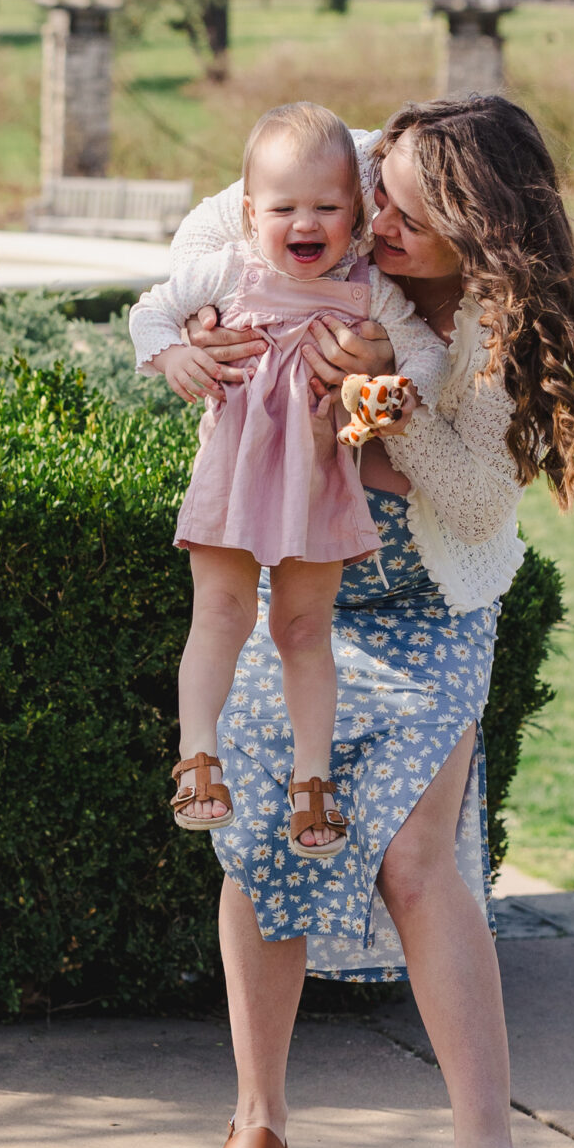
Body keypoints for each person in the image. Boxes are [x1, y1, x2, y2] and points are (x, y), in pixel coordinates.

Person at [129, 95, 574, 1148]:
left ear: (479, 230)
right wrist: (195, 338)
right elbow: (207, 248)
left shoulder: (495, 327)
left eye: (409, 210)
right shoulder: (325, 218)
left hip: (431, 607)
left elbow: (476, 500)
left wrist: (387, 406)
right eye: (376, 190)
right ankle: (257, 1126)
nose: (375, 220)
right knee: (260, 843)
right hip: (301, 596)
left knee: (415, 861)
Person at [143, 102, 448, 854]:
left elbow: (427, 356)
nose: (304, 223)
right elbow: (150, 310)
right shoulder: (228, 272)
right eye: (283, 208)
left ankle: (311, 782)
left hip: (319, 486)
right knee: (219, 613)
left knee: (303, 629)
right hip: (232, 479)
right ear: (251, 214)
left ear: (356, 214)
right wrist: (173, 353)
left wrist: (397, 384)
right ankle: (197, 757)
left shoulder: (367, 290)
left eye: (326, 207)